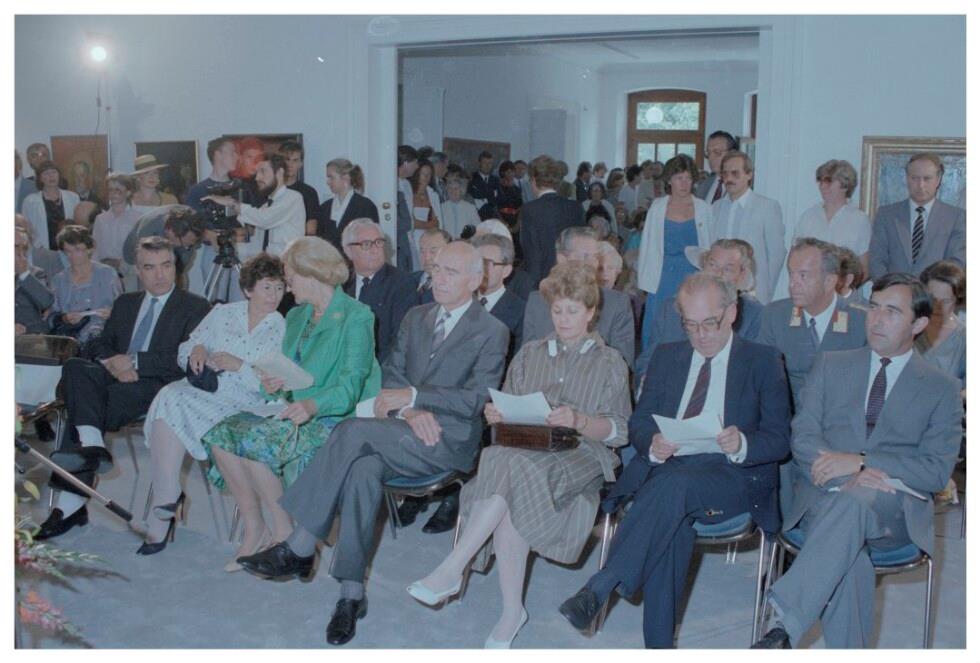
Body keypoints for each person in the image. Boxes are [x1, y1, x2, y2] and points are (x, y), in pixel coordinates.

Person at [237, 241, 509, 646]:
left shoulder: (492, 331)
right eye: (435, 269)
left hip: (447, 441)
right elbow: (391, 374)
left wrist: (416, 397)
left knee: (350, 431)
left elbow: (476, 398)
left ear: (475, 280)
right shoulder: (416, 317)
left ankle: (300, 543)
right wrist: (409, 410)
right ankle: (351, 594)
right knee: (361, 470)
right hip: (402, 430)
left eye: (451, 272)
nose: (438, 278)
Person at [559, 272, 791, 648]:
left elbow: (779, 439)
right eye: (690, 325)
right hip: (670, 469)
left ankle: (602, 585)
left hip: (731, 474)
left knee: (671, 489)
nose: (700, 335)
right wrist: (653, 444)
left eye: (709, 323)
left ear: (732, 312)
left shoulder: (763, 361)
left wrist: (742, 442)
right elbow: (639, 423)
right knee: (671, 517)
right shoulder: (668, 356)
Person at [408, 261, 631, 648]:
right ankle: (511, 612)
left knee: (503, 465)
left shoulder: (609, 361)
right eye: (557, 310)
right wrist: (496, 413)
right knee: (505, 467)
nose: (563, 319)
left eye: (572, 311)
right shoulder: (530, 353)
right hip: (525, 446)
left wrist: (579, 419)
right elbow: (507, 405)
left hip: (582, 452)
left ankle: (452, 568)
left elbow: (618, 431)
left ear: (591, 312)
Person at [753, 273, 962, 649]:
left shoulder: (941, 388)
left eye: (892, 312)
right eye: (874, 308)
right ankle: (793, 632)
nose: (877, 319)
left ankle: (786, 622)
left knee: (855, 507)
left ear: (918, 324)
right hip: (825, 498)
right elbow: (803, 436)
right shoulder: (832, 364)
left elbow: (935, 471)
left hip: (894, 510)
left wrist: (862, 462)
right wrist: (843, 476)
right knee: (851, 552)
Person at [202, 238, 381, 564]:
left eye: (290, 277)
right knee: (221, 435)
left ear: (312, 273)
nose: (286, 285)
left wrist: (312, 406)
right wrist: (273, 384)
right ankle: (257, 528)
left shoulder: (356, 316)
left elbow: (351, 386)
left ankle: (286, 537)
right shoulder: (297, 316)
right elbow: (288, 378)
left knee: (256, 443)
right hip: (295, 408)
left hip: (337, 417)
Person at [36, 237, 210, 540]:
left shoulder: (195, 306)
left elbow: (183, 359)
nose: (160, 275)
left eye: (166, 265)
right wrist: (113, 361)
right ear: (138, 271)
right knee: (75, 368)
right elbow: (102, 343)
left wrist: (134, 362)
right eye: (150, 267)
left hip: (158, 386)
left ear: (175, 267)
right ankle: (92, 443)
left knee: (85, 405)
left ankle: (70, 500)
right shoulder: (126, 303)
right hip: (115, 374)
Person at [138, 254, 287, 555]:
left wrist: (239, 366)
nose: (274, 296)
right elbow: (186, 349)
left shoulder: (281, 326)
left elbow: (276, 384)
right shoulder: (223, 313)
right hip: (208, 390)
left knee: (175, 401)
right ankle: (167, 493)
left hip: (247, 400)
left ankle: (165, 502)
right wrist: (197, 350)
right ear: (248, 290)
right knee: (170, 395)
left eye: (279, 288)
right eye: (267, 288)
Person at [757, 237, 868, 408]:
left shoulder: (861, 320)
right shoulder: (775, 316)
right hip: (789, 417)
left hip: (843, 418)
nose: (793, 284)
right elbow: (763, 380)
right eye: (791, 274)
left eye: (803, 275)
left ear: (829, 281)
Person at [639, 239, 762, 378]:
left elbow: (752, 371)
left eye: (727, 269)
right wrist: (645, 381)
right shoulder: (671, 308)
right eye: (712, 265)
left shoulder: (754, 315)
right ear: (702, 267)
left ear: (742, 275)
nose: (718, 274)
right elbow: (648, 360)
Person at [522, 226, 635, 367]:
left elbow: (622, 366)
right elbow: (526, 360)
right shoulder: (538, 302)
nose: (592, 264)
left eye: (595, 257)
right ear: (562, 259)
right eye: (585, 256)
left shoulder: (616, 304)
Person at [637, 153, 713, 350]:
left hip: (694, 276)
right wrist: (644, 280)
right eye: (679, 178)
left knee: (691, 324)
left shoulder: (704, 209)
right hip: (662, 276)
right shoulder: (657, 208)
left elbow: (710, 245)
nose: (684, 183)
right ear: (669, 180)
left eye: (688, 178)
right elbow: (647, 246)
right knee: (658, 327)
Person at [869, 153, 966, 280]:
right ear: (907, 178)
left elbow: (956, 264)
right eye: (914, 178)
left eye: (927, 178)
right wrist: (890, 289)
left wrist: (935, 289)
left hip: (935, 291)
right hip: (893, 290)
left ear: (938, 180)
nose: (920, 185)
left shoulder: (956, 217)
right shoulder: (886, 215)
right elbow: (876, 261)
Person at [710, 151, 785, 304]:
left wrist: (766, 289)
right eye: (725, 174)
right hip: (721, 290)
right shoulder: (716, 208)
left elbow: (776, 254)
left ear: (749, 174)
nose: (729, 179)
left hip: (753, 291)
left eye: (735, 173)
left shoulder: (766, 206)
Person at [341, 219, 418, 362]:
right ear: (348, 251)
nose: (375, 250)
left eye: (378, 242)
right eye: (366, 244)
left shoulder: (401, 283)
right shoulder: (341, 284)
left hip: (379, 367)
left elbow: (401, 343)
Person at [203, 153, 305, 260]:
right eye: (257, 173)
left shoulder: (293, 198)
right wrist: (229, 247)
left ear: (280, 172)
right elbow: (258, 247)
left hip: (287, 267)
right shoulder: (266, 206)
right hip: (269, 266)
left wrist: (232, 203)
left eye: (263, 171)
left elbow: (264, 219)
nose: (257, 178)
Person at [793, 160, 871, 275]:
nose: (822, 186)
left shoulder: (860, 220)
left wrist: (844, 286)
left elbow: (865, 267)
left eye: (828, 181)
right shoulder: (808, 217)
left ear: (845, 185)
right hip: (811, 285)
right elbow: (794, 258)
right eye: (820, 182)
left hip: (845, 285)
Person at [519, 155, 586, 287]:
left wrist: (532, 288)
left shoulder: (530, 209)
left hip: (544, 279)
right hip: (572, 278)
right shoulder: (576, 207)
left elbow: (531, 252)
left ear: (534, 180)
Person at [49, 225, 122, 342]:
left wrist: (112, 314)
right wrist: (65, 318)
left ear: (89, 249)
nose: (72, 255)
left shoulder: (108, 273)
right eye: (67, 251)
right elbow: (51, 316)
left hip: (105, 337)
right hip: (71, 339)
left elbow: (123, 309)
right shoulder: (59, 280)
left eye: (77, 250)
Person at [916, 260, 965, 387]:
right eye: (933, 299)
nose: (937, 307)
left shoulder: (964, 337)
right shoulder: (909, 326)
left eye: (946, 301)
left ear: (958, 300)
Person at [313, 158, 378, 248]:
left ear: (345, 178)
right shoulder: (325, 207)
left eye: (331, 177)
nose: (327, 182)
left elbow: (371, 239)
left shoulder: (366, 206)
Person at [92, 174, 142, 289]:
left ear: (128, 192)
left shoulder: (137, 218)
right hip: (104, 271)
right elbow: (95, 248)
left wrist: (123, 265)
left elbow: (138, 248)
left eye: (118, 190)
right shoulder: (101, 219)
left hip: (129, 273)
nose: (113, 193)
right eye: (110, 190)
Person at [22, 160, 80, 251]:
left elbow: (79, 225)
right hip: (42, 250)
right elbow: (27, 229)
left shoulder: (73, 197)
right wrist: (39, 247)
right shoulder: (30, 201)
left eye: (54, 172)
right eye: (46, 173)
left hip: (69, 250)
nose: (51, 176)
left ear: (59, 175)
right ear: (40, 178)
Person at [15, 226, 54, 335]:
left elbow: (46, 302)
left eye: (24, 247)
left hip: (32, 338)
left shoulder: (37, 273)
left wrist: (24, 274)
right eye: (15, 246)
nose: (20, 251)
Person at [279, 141, 320, 233]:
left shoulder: (309, 192)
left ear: (301, 163)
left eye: (295, 160)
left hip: (298, 240)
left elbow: (311, 229)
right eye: (287, 159)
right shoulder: (270, 190)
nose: (290, 165)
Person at [694, 130, 738, 203]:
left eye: (717, 152)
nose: (711, 158)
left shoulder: (740, 186)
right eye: (708, 153)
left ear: (732, 153)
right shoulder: (703, 186)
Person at [395, 145, 419, 272]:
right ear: (405, 163)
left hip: (409, 237)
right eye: (415, 163)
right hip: (398, 238)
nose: (417, 166)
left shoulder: (407, 184)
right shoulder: (390, 183)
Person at [412, 228, 450, 305]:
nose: (427, 258)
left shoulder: (453, 285)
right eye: (422, 251)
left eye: (433, 251)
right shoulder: (407, 280)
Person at [468, 150, 501, 219]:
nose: (487, 166)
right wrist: (490, 197)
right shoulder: (471, 178)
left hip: (492, 217)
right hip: (475, 216)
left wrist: (484, 199)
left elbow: (499, 199)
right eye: (485, 162)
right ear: (479, 163)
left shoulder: (496, 180)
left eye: (490, 163)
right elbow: (472, 199)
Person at [495, 160, 523, 230]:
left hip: (515, 224)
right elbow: (495, 208)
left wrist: (517, 225)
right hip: (499, 222)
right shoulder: (497, 188)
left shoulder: (517, 189)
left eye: (513, 172)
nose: (511, 175)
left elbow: (520, 207)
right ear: (502, 173)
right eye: (508, 172)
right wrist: (503, 223)